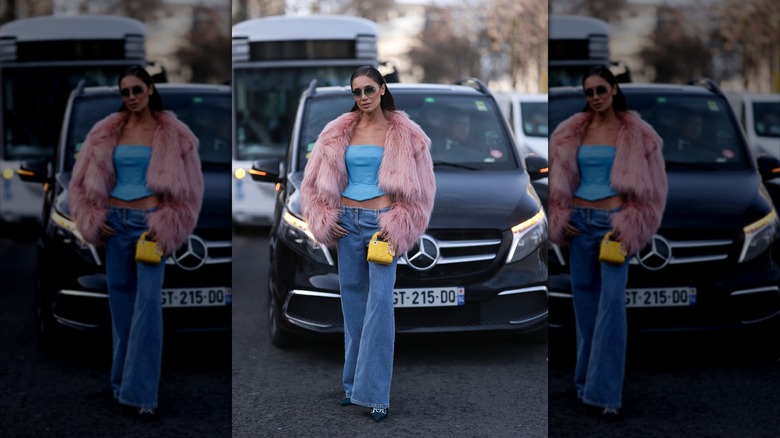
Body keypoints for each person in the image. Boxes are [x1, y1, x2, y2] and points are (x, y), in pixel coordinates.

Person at [300, 65, 435, 422]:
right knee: (354, 307)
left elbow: (422, 192)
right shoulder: (337, 132)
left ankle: (376, 394)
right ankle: (352, 387)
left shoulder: (405, 133)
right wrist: (324, 219)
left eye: (369, 90)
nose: (363, 98)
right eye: (357, 92)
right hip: (346, 223)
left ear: (383, 88)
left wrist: (401, 224)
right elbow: (311, 184)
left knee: (380, 307)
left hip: (382, 227)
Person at [68, 65, 203, 420]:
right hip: (115, 224)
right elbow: (79, 185)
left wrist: (169, 225)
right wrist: (93, 220)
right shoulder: (105, 132)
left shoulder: (173, 133)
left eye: (137, 90)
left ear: (150, 88)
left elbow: (190, 192)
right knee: (122, 311)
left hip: (150, 228)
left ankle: (143, 394)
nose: (131, 98)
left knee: (147, 310)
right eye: (125, 92)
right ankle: (120, 385)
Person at [548, 65, 667, 421]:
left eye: (601, 89)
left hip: (614, 227)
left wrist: (632, 227)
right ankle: (585, 384)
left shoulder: (639, 135)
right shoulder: (570, 132)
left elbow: (654, 193)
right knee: (585, 309)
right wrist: (560, 219)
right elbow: (558, 182)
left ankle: (607, 393)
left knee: (612, 309)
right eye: (589, 92)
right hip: (579, 226)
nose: (596, 97)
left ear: (614, 89)